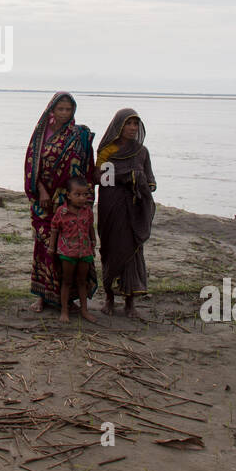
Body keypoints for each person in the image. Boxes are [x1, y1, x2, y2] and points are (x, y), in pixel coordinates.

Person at [23, 91, 97, 313]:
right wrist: (42, 192)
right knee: (45, 247)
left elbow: (86, 169)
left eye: (69, 109)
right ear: (52, 110)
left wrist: (83, 198)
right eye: (61, 109)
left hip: (71, 203)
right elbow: (32, 166)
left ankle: (71, 299)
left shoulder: (79, 135)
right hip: (44, 203)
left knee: (72, 248)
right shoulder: (40, 135)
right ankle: (43, 297)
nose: (65, 113)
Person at [96, 108, 156, 318]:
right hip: (112, 207)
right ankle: (109, 298)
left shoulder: (142, 151)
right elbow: (101, 179)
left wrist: (142, 183)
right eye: (128, 124)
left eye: (135, 124)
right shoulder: (107, 151)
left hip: (134, 208)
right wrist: (125, 176)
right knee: (111, 249)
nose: (132, 128)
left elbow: (150, 179)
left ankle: (130, 302)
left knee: (132, 252)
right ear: (118, 126)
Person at [50, 177, 98, 323]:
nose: (81, 198)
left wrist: (93, 242)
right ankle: (64, 310)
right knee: (67, 281)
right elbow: (54, 229)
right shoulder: (61, 212)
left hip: (84, 251)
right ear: (68, 195)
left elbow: (90, 228)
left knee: (82, 281)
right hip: (67, 252)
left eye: (84, 195)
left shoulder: (88, 211)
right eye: (77, 194)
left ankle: (84, 310)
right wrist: (52, 248)